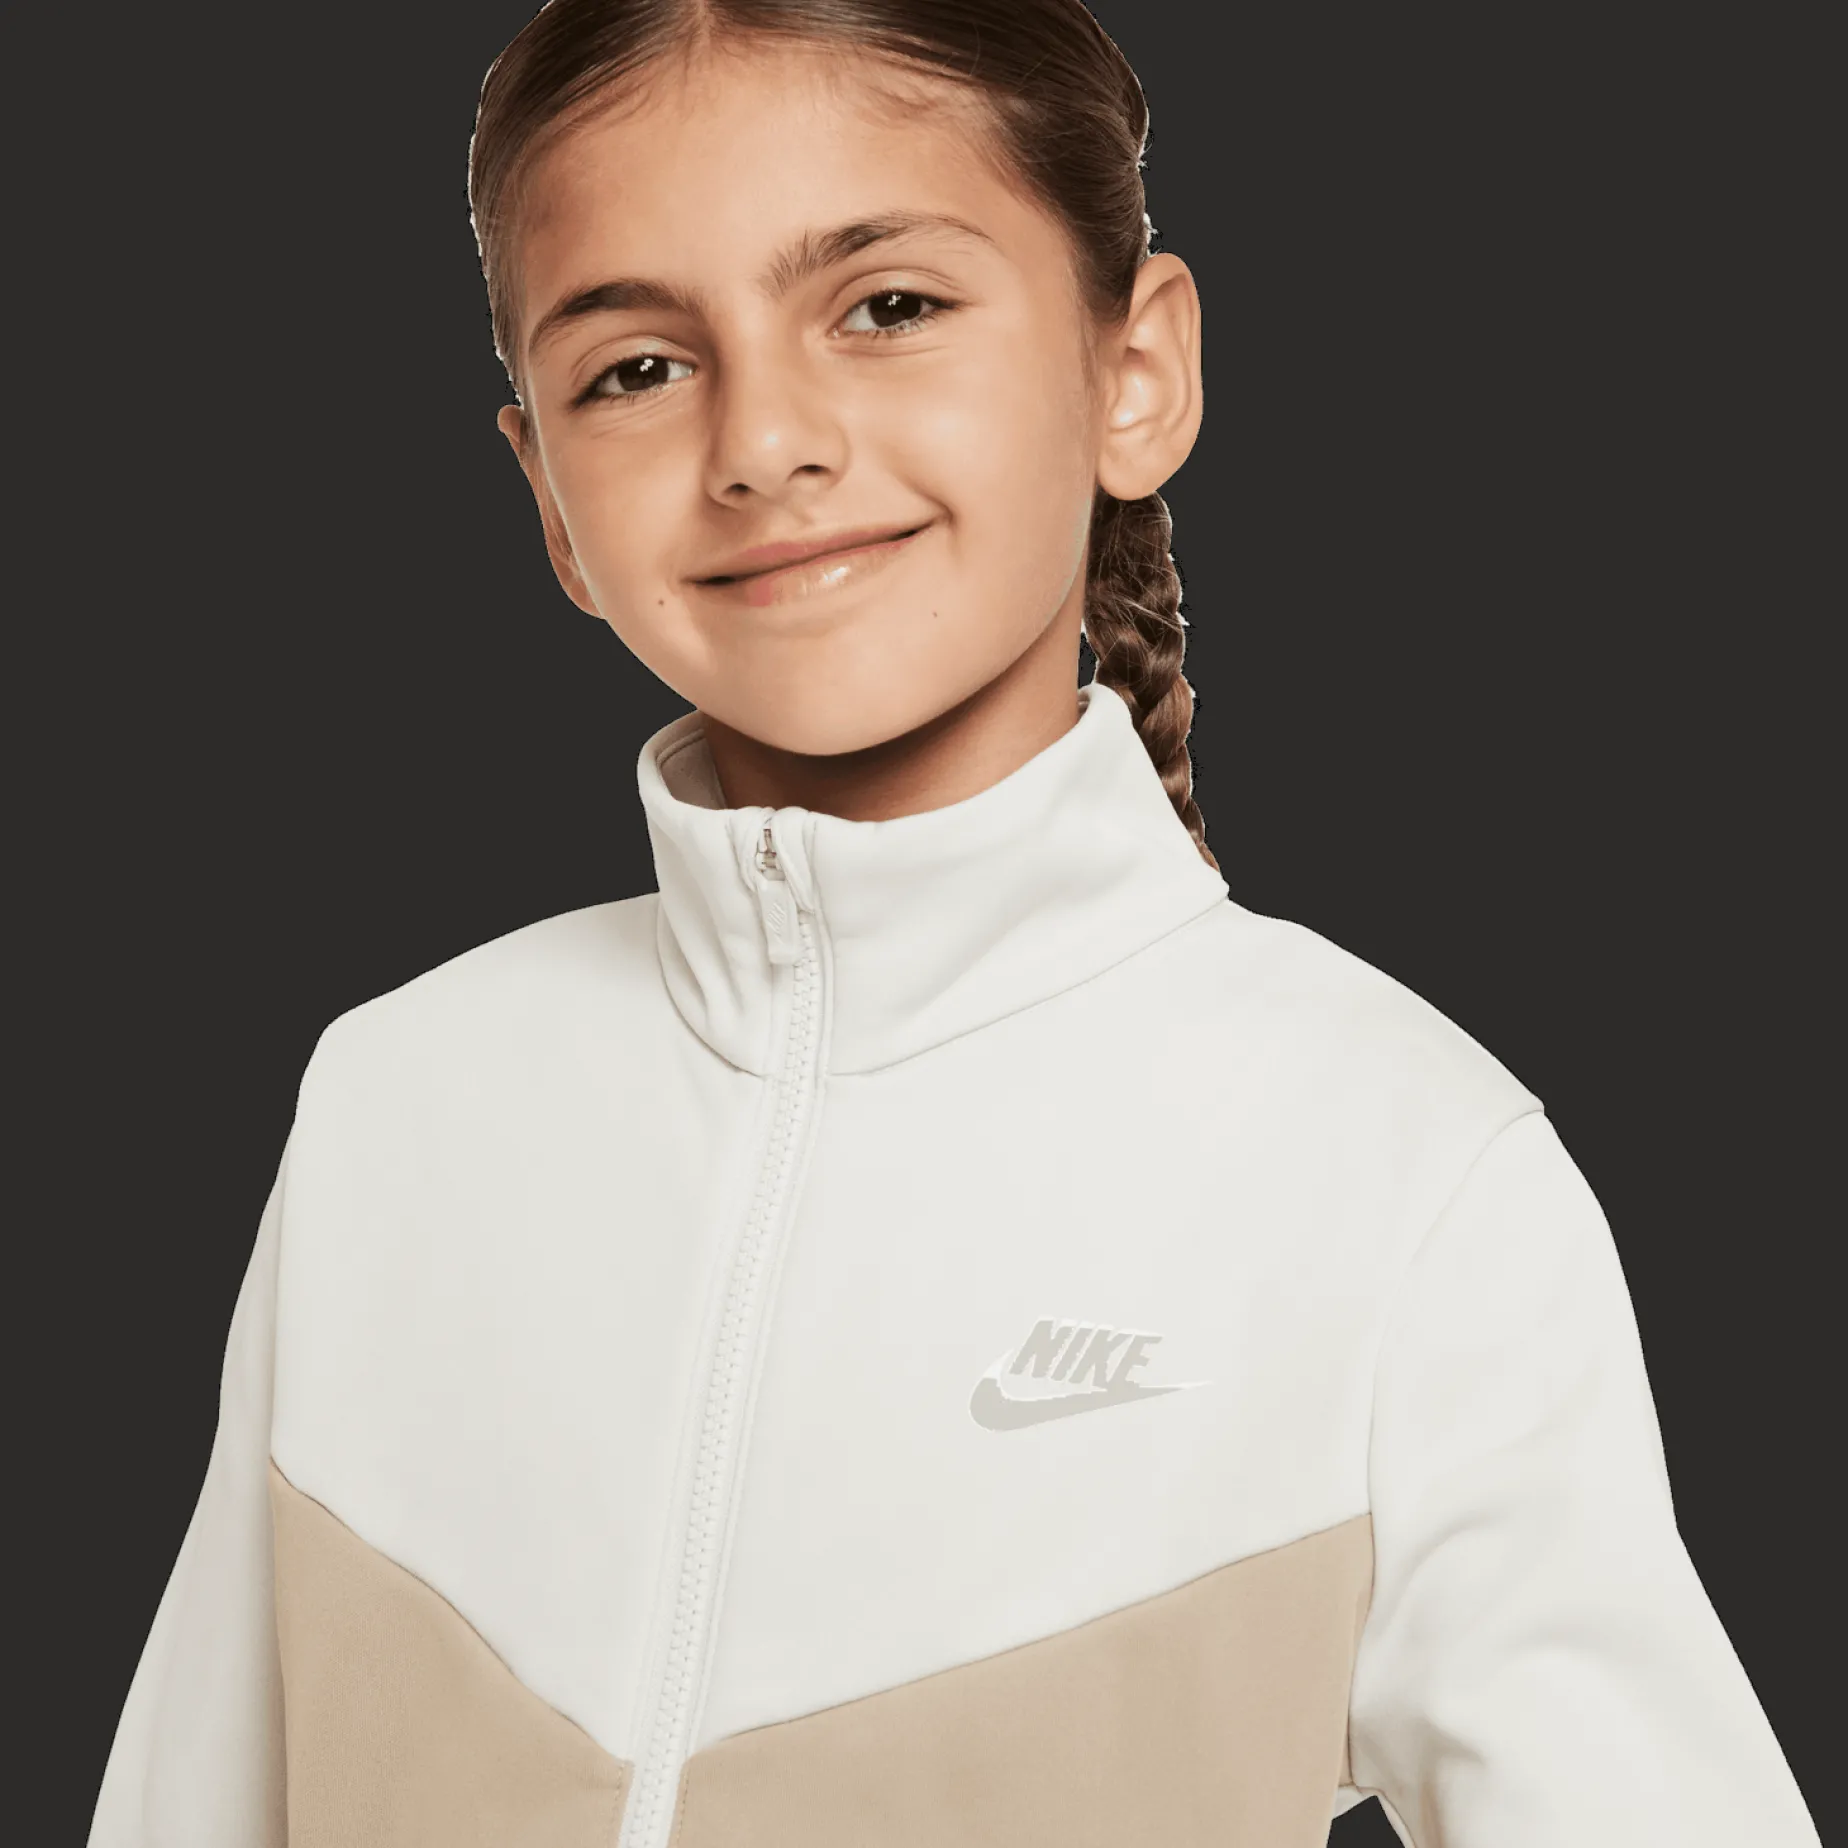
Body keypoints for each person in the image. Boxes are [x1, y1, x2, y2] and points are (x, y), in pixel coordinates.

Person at [89, 2, 1820, 1844]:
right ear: (550, 507)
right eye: (638, 368)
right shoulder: (395, 1102)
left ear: (1133, 371)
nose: (764, 441)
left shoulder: (1404, 1174)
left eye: (889, 305)